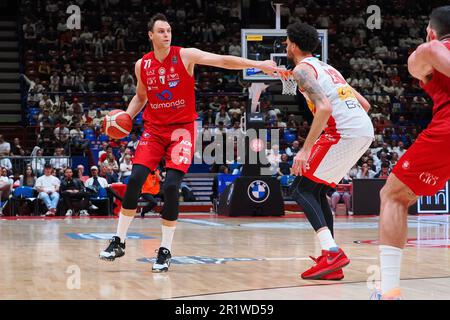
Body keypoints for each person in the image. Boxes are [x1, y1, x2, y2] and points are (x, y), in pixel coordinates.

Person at [99, 13, 280, 272]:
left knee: (171, 186)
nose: (166, 34)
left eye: (168, 30)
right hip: (153, 128)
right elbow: (141, 97)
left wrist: (258, 64)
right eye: (161, 31)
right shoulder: (142, 65)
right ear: (150, 35)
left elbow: (222, 61)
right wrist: (125, 118)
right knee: (136, 177)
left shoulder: (185, 55)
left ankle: (165, 250)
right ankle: (119, 240)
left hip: (181, 130)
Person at [284, 22, 374, 280]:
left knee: (299, 188)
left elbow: (323, 108)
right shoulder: (328, 68)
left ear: (293, 44)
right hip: (363, 130)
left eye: (287, 42)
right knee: (317, 190)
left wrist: (305, 149)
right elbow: (365, 105)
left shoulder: (302, 69)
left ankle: (331, 251)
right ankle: (331, 260)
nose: (285, 46)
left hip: (343, 132)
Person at [375, 6, 450, 300]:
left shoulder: (430, 47)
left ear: (431, 31)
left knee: (393, 196)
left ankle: (389, 291)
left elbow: (427, 55)